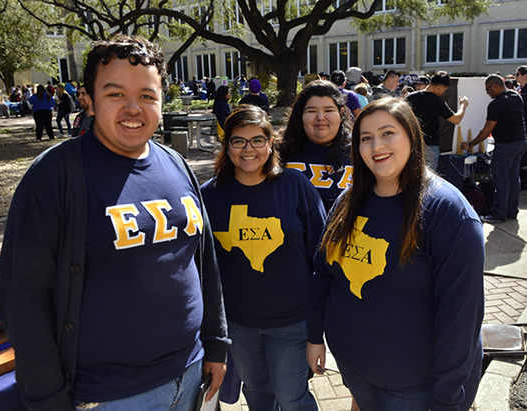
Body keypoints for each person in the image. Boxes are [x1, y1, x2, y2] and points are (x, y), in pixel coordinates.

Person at [0, 35, 229, 411]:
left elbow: (205, 263)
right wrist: (47, 398)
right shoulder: (54, 176)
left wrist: (216, 343)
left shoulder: (177, 164)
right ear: (88, 98)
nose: (133, 108)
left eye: (148, 96)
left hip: (192, 375)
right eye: (116, 94)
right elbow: (21, 298)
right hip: (108, 396)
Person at [307, 97, 485, 411]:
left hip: (414, 388)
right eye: (365, 138)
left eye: (388, 133)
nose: (376, 145)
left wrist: (445, 399)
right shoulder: (348, 201)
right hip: (355, 371)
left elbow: (461, 317)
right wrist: (314, 336)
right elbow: (324, 274)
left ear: (412, 137)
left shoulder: (447, 211)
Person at [201, 104, 325, 411]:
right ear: (226, 147)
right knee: (257, 395)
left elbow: (322, 256)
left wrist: (318, 328)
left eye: (258, 140)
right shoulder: (209, 195)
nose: (248, 149)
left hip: (292, 321)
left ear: (271, 144)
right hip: (239, 324)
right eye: (238, 141)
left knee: (290, 397)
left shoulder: (295, 186)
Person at [461, 74, 527, 223]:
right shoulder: (516, 96)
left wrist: (470, 144)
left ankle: (499, 214)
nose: (487, 93)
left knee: (500, 179)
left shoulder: (496, 104)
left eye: (487, 89)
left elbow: (487, 130)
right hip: (520, 143)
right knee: (513, 178)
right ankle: (511, 212)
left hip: (505, 145)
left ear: (495, 86)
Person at [280, 80, 353, 212]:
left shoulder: (360, 151)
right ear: (300, 115)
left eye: (328, 110)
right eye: (311, 111)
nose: (320, 117)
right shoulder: (279, 151)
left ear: (341, 113)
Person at [406, 71, 469, 170]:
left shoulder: (410, 97)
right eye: (444, 89)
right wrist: (463, 106)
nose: (443, 92)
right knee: (429, 179)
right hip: (430, 145)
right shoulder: (437, 101)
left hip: (411, 143)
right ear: (440, 87)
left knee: (410, 175)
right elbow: (456, 119)